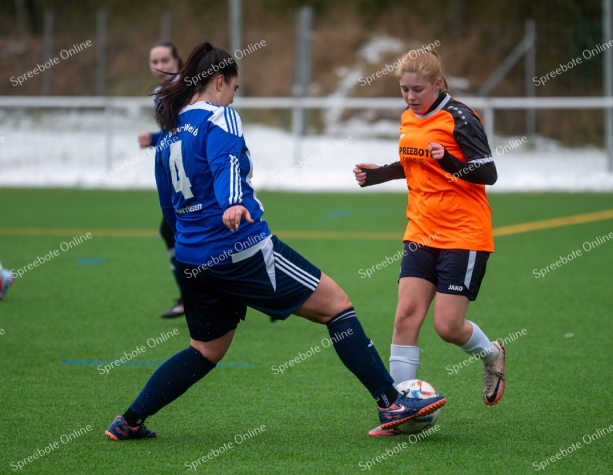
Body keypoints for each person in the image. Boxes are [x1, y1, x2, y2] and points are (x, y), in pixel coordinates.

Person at [105, 42, 445, 441]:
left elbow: (167, 202)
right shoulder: (221, 116)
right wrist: (232, 202)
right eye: (234, 87)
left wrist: (191, 241)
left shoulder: (172, 132)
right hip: (242, 250)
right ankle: (391, 403)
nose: (234, 96)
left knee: (205, 350)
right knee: (338, 307)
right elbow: (226, 162)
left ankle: (128, 421)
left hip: (194, 257)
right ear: (219, 81)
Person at [353, 49, 504, 436]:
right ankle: (397, 410)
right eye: (403, 89)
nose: (409, 97)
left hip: (463, 234)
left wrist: (449, 161)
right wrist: (378, 175)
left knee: (448, 327)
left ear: (438, 84)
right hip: (421, 232)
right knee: (405, 318)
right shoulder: (408, 118)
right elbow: (412, 163)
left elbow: (488, 172)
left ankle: (492, 355)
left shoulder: (460, 117)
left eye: (417, 89)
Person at [137, 42, 186, 318]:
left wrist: (157, 139)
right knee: (174, 231)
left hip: (193, 174)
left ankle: (190, 298)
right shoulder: (160, 92)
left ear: (177, 61)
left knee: (176, 230)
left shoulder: (185, 88)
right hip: (179, 175)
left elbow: (190, 130)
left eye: (165, 59)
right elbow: (175, 134)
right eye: (154, 60)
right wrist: (155, 139)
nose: (160, 65)